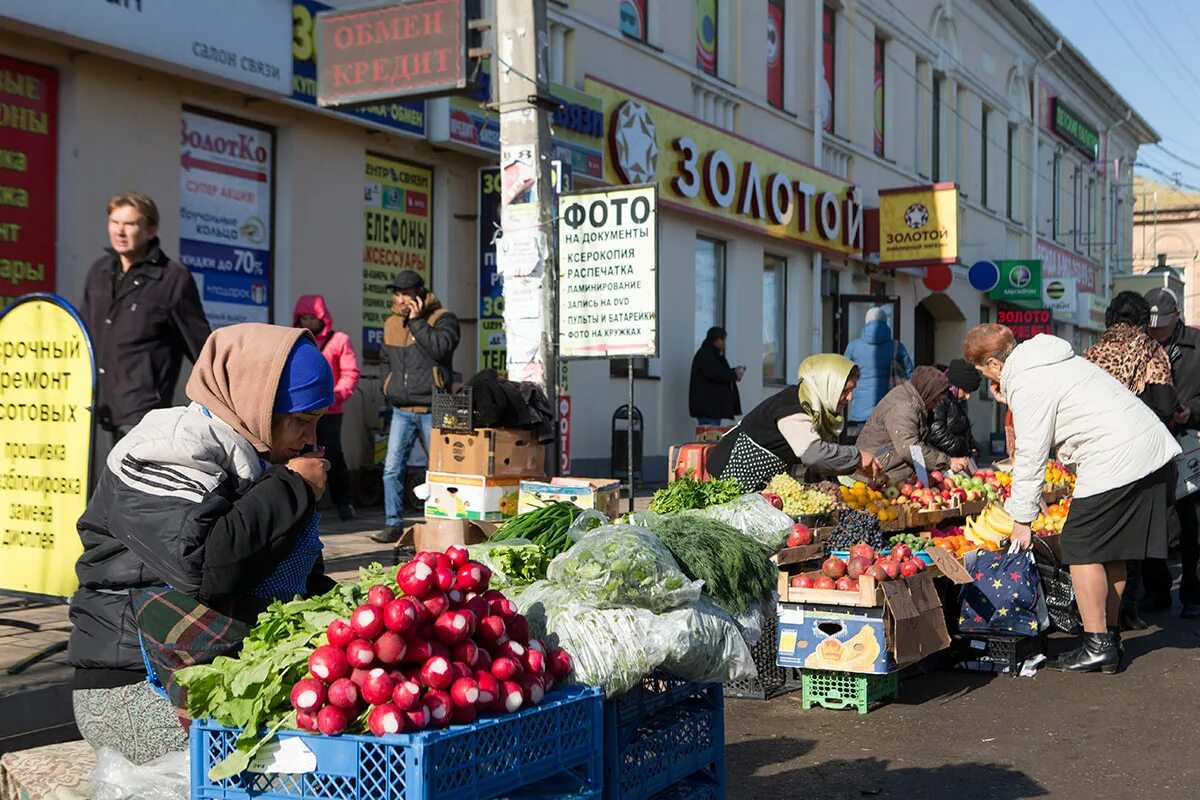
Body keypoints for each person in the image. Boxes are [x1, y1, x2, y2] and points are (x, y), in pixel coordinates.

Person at [68, 324, 337, 764]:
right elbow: (208, 566)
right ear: (255, 401)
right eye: (301, 422)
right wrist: (294, 489)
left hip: (205, 666)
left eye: (316, 423)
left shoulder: (256, 459)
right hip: (134, 685)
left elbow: (290, 581)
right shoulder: (165, 446)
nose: (309, 440)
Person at [963, 324, 1179, 673]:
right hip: (1146, 449)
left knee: (1081, 546)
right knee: (1112, 551)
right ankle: (1108, 638)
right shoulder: (1052, 360)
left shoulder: (1026, 381)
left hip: (1114, 458)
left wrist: (1022, 519)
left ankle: (1097, 645)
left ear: (994, 364)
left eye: (983, 370)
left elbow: (1031, 452)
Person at [81, 192, 211, 446]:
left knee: (129, 485)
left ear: (151, 230)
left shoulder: (172, 278)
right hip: (94, 405)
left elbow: (201, 346)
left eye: (129, 224)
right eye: (114, 222)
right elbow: (81, 334)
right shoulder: (99, 271)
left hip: (141, 412)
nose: (120, 231)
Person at [1084, 291, 1178, 629]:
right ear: (1142, 320)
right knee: (1132, 538)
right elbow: (1164, 404)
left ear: (1110, 317)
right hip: (1138, 456)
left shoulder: (1091, 353)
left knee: (1100, 538)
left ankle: (1099, 619)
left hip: (1096, 454)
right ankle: (1127, 609)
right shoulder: (1151, 350)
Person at [706, 354, 883, 492]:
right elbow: (814, 454)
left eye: (852, 390)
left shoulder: (815, 406)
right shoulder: (794, 408)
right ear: (827, 385)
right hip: (733, 473)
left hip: (763, 478)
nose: (850, 398)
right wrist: (857, 456)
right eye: (845, 390)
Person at [375, 270, 461, 544]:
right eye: (397, 294)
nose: (401, 300)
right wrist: (386, 385)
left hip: (433, 407)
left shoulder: (443, 318)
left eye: (407, 294)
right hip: (401, 409)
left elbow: (441, 349)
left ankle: (439, 523)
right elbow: (384, 360)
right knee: (391, 468)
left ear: (420, 295)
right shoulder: (390, 324)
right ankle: (392, 524)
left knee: (439, 469)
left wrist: (417, 322)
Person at [1143, 287, 1200, 619]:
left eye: (1162, 325)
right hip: (1151, 445)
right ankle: (1157, 591)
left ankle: (1193, 592)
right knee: (1154, 521)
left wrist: (1191, 411)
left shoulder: (1195, 345)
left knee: (1192, 522)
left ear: (1176, 317)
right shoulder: (1142, 345)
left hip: (1191, 442)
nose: (1157, 332)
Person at [294, 294, 361, 521]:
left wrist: (337, 396)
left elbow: (350, 373)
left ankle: (345, 503)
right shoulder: (296, 340)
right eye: (303, 318)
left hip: (331, 409)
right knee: (301, 453)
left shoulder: (339, 340)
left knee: (332, 452)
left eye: (312, 317)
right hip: (302, 409)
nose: (307, 322)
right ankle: (307, 504)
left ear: (322, 318)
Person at [854, 366, 972, 482]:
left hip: (887, 476)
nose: (935, 406)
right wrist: (947, 461)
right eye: (935, 401)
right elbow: (910, 448)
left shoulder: (915, 401)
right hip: (871, 476)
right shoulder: (904, 406)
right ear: (927, 393)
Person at [843, 307, 914, 437]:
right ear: (885, 322)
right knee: (885, 448)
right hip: (889, 407)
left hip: (861, 411)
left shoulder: (853, 346)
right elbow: (910, 372)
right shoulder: (896, 346)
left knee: (864, 446)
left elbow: (842, 373)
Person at [689, 326, 744, 426]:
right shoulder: (706, 355)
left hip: (712, 408)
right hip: (708, 408)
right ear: (717, 340)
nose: (724, 343)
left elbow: (719, 371)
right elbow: (717, 373)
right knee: (709, 438)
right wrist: (734, 374)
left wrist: (734, 373)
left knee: (713, 437)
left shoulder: (711, 355)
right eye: (723, 340)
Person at [928, 359, 981, 458]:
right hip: (941, 459)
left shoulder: (959, 400)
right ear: (956, 385)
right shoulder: (940, 397)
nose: (968, 396)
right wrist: (963, 448)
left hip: (956, 458)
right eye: (965, 391)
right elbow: (936, 432)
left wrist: (972, 444)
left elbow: (964, 425)